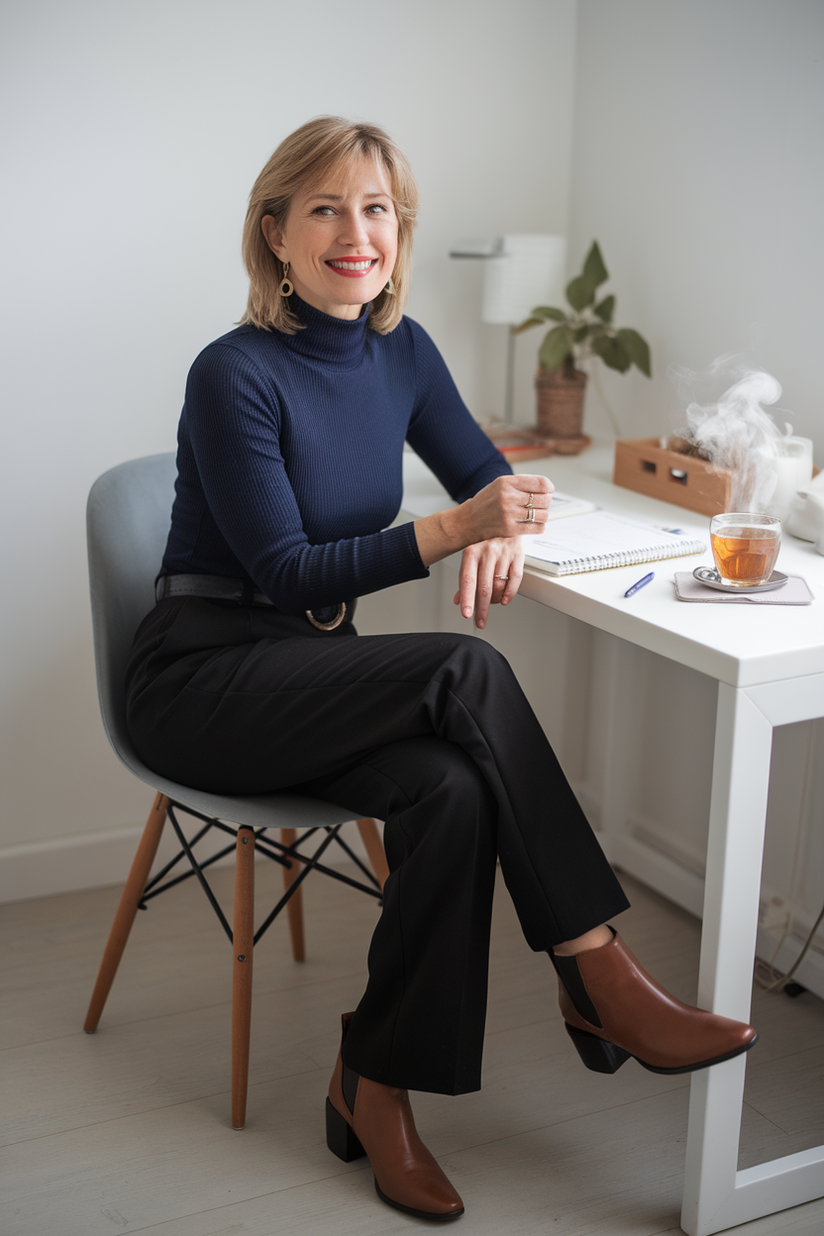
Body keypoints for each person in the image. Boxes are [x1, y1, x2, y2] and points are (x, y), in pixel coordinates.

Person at [126, 116, 757, 1223]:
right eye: (323, 208)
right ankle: (593, 966)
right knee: (463, 673)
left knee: (454, 789)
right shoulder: (232, 373)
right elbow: (280, 570)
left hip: (314, 674)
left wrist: (501, 521)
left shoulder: (400, 352)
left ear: (397, 231)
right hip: (204, 681)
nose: (354, 232)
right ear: (274, 234)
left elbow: (485, 473)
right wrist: (457, 528)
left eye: (375, 209)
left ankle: (375, 1083)